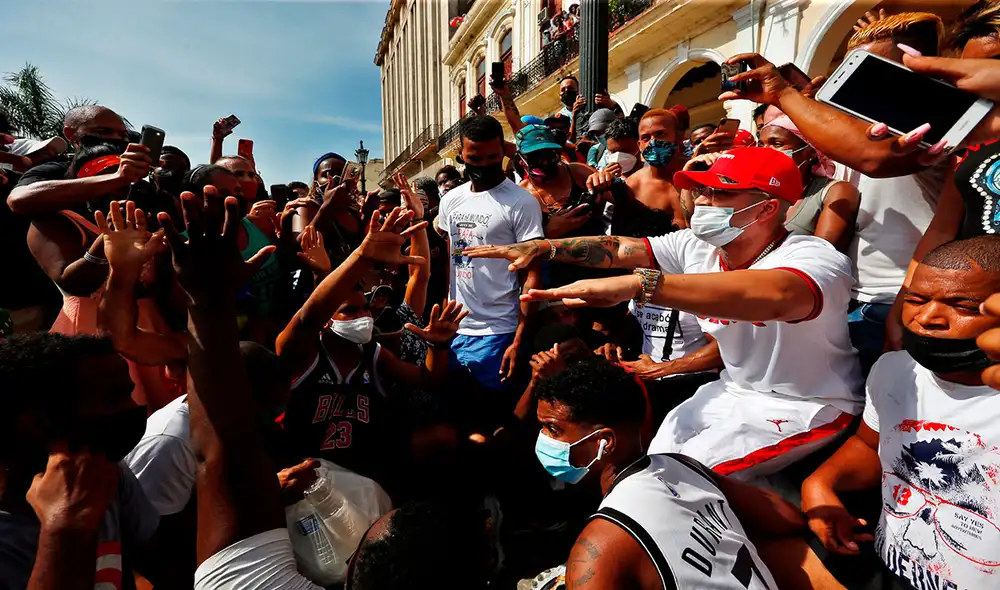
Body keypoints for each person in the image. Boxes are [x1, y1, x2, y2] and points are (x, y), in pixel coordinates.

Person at [466, 147, 863, 480]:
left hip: (807, 403)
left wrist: (643, 285)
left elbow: (779, 293)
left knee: (681, 477)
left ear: (767, 208)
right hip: (733, 388)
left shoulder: (812, 256)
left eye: (721, 194)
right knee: (651, 461)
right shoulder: (696, 245)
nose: (702, 203)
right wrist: (546, 248)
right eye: (701, 192)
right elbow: (621, 248)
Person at [535, 358, 841, 590]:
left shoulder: (599, 548)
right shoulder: (682, 466)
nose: (543, 439)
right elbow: (784, 516)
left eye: (553, 429)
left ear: (605, 442)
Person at [802, 236, 1000, 589]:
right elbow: (871, 444)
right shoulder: (894, 370)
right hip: (890, 570)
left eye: (962, 305)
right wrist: (821, 481)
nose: (927, 318)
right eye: (916, 300)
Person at [276, 206, 466, 486]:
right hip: (306, 478)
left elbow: (427, 380)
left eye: (365, 308)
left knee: (445, 437)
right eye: (350, 311)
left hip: (365, 473)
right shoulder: (304, 351)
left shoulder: (372, 354)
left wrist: (439, 348)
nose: (363, 316)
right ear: (327, 318)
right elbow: (307, 318)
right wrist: (363, 257)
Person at [0, 332, 174, 588]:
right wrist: (64, 531)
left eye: (129, 395)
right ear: (38, 422)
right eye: (112, 399)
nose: (131, 409)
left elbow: (161, 561)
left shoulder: (104, 474)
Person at [885, 2, 1000, 350]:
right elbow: (943, 226)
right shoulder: (971, 140)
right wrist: (906, 300)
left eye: (993, 63)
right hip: (970, 311)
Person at [439, 116, 544, 400]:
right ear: (460, 154)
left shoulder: (522, 202)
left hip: (500, 331)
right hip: (456, 330)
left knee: (493, 415)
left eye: (492, 157)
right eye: (474, 157)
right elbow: (451, 259)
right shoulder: (450, 200)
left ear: (503, 152)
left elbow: (531, 274)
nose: (484, 165)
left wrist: (519, 339)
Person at [7, 105, 150, 217]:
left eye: (123, 135)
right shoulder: (54, 170)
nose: (117, 138)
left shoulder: (139, 180)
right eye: (103, 132)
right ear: (71, 134)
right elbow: (19, 200)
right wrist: (117, 178)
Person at [758, 114, 860, 251]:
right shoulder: (755, 191)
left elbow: (820, 256)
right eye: (760, 145)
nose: (765, 152)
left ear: (811, 152)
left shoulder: (836, 192)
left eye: (777, 144)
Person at [587, 109, 689, 238]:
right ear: (639, 145)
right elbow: (622, 240)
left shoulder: (699, 173)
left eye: (661, 134)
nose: (653, 142)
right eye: (646, 138)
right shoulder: (632, 186)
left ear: (679, 136)